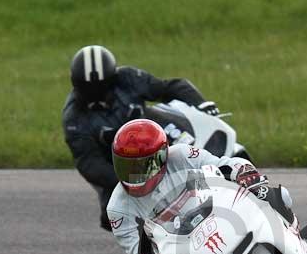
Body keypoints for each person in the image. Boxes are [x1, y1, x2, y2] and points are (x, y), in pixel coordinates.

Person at [106, 119, 279, 254]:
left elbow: (222, 163)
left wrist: (243, 172)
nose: (134, 175)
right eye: (126, 167)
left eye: (142, 166)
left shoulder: (182, 155)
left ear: (162, 157)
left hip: (217, 216)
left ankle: (297, 237)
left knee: (273, 195)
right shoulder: (118, 208)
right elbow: (134, 253)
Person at [62, 45, 221, 230]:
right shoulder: (73, 118)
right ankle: (156, 243)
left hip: (158, 133)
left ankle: (228, 177)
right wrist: (132, 181)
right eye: (89, 91)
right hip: (122, 165)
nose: (97, 98)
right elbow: (89, 163)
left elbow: (168, 87)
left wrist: (200, 103)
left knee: (199, 149)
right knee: (111, 215)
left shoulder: (128, 78)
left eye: (103, 89)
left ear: (113, 79)